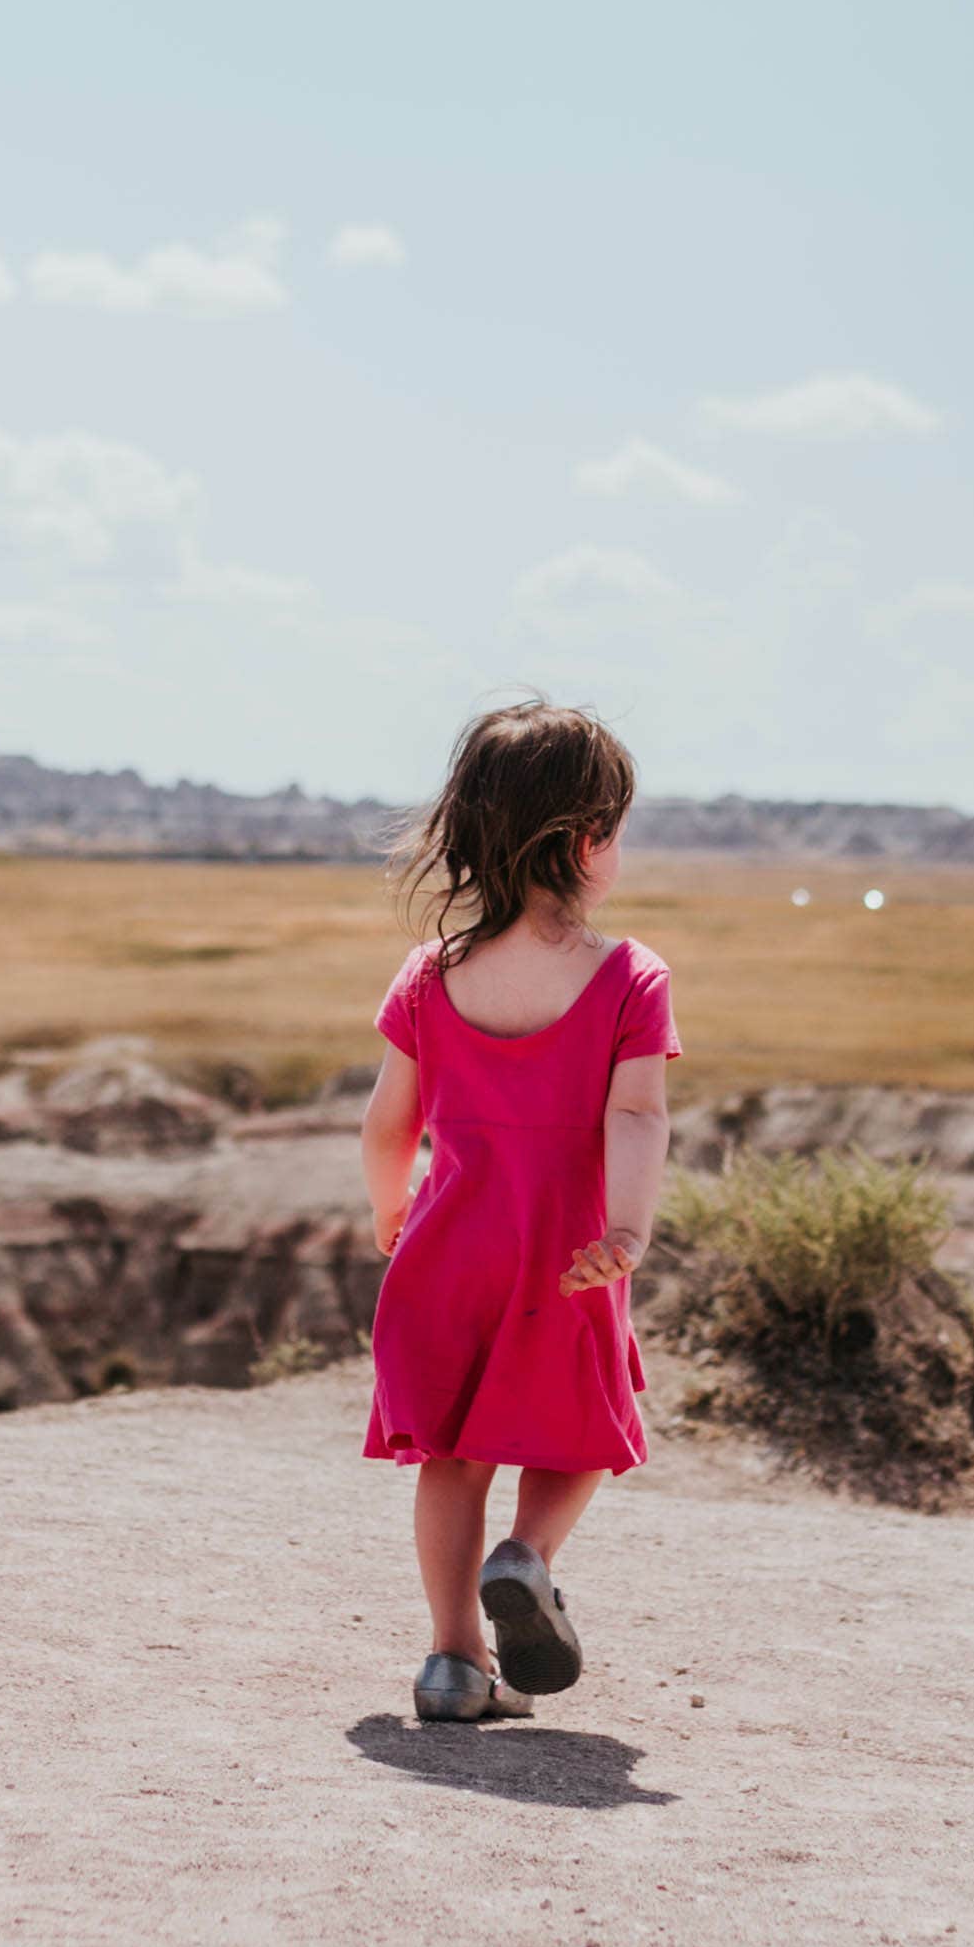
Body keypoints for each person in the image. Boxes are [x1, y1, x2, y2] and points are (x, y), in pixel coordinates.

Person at [361, 701, 680, 1724]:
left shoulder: (430, 975)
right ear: (588, 841)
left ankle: (453, 1662)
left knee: (452, 1455)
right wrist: (622, 1235)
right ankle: (527, 1554)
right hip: (562, 1256)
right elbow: (635, 1112)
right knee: (583, 1430)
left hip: (445, 1251)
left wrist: (389, 1209)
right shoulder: (628, 976)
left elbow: (384, 1124)